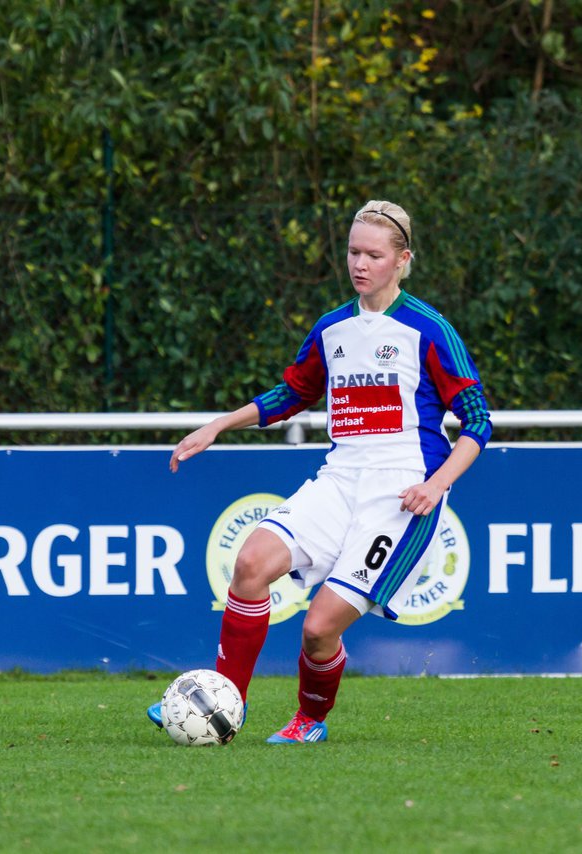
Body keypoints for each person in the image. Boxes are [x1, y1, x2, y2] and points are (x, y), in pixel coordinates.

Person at [147, 200, 492, 743]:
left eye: (374, 255)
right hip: (339, 479)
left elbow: (477, 422)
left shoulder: (428, 329)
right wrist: (218, 424)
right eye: (354, 251)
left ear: (403, 260)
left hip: (401, 494)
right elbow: (293, 393)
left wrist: (437, 483)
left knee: (316, 629)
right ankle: (222, 701)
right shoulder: (333, 328)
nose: (360, 264)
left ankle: (310, 720)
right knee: (252, 562)